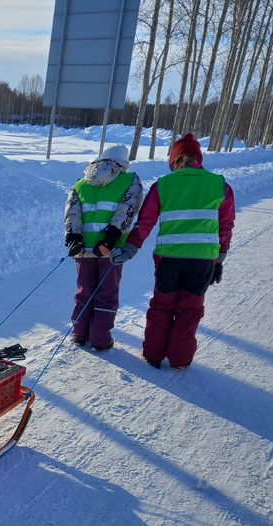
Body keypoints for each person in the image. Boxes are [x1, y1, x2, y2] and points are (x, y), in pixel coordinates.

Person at [110, 133, 235, 369]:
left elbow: (144, 221)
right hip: (202, 262)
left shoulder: (163, 185)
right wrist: (220, 257)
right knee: (190, 310)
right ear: (198, 158)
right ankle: (180, 359)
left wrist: (131, 247)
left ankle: (153, 355)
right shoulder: (220, 185)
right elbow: (225, 224)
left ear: (174, 159)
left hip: (169, 260)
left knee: (162, 306)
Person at [63, 144, 143, 350]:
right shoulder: (129, 179)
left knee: (84, 291)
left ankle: (79, 333)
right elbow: (128, 209)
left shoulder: (80, 183)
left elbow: (72, 212)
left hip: (82, 250)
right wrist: (110, 239)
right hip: (110, 250)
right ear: (123, 163)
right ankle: (100, 339)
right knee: (106, 294)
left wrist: (73, 237)